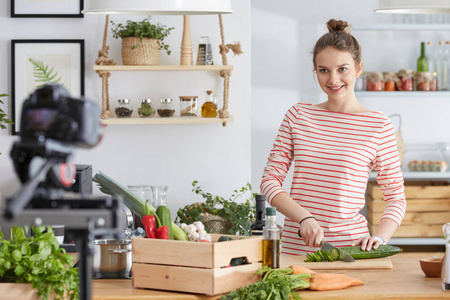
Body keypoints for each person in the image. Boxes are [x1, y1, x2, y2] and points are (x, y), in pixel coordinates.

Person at [260, 19, 406, 255]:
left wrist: (380, 237)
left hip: (351, 249)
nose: (333, 80)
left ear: (359, 68)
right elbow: (269, 181)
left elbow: (397, 199)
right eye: (323, 70)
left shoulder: (378, 125)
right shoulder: (298, 116)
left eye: (343, 69)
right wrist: (304, 217)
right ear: (315, 71)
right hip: (295, 250)